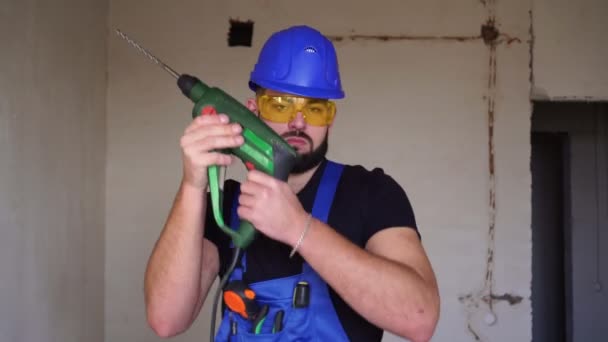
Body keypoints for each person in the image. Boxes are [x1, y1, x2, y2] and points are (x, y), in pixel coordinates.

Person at [144, 25, 440, 342]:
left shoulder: (370, 193)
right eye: (281, 104)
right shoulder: (226, 204)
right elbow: (166, 319)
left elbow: (419, 319)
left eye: (314, 109)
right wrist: (192, 185)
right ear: (252, 111)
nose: (298, 122)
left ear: (330, 119)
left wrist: (299, 228)